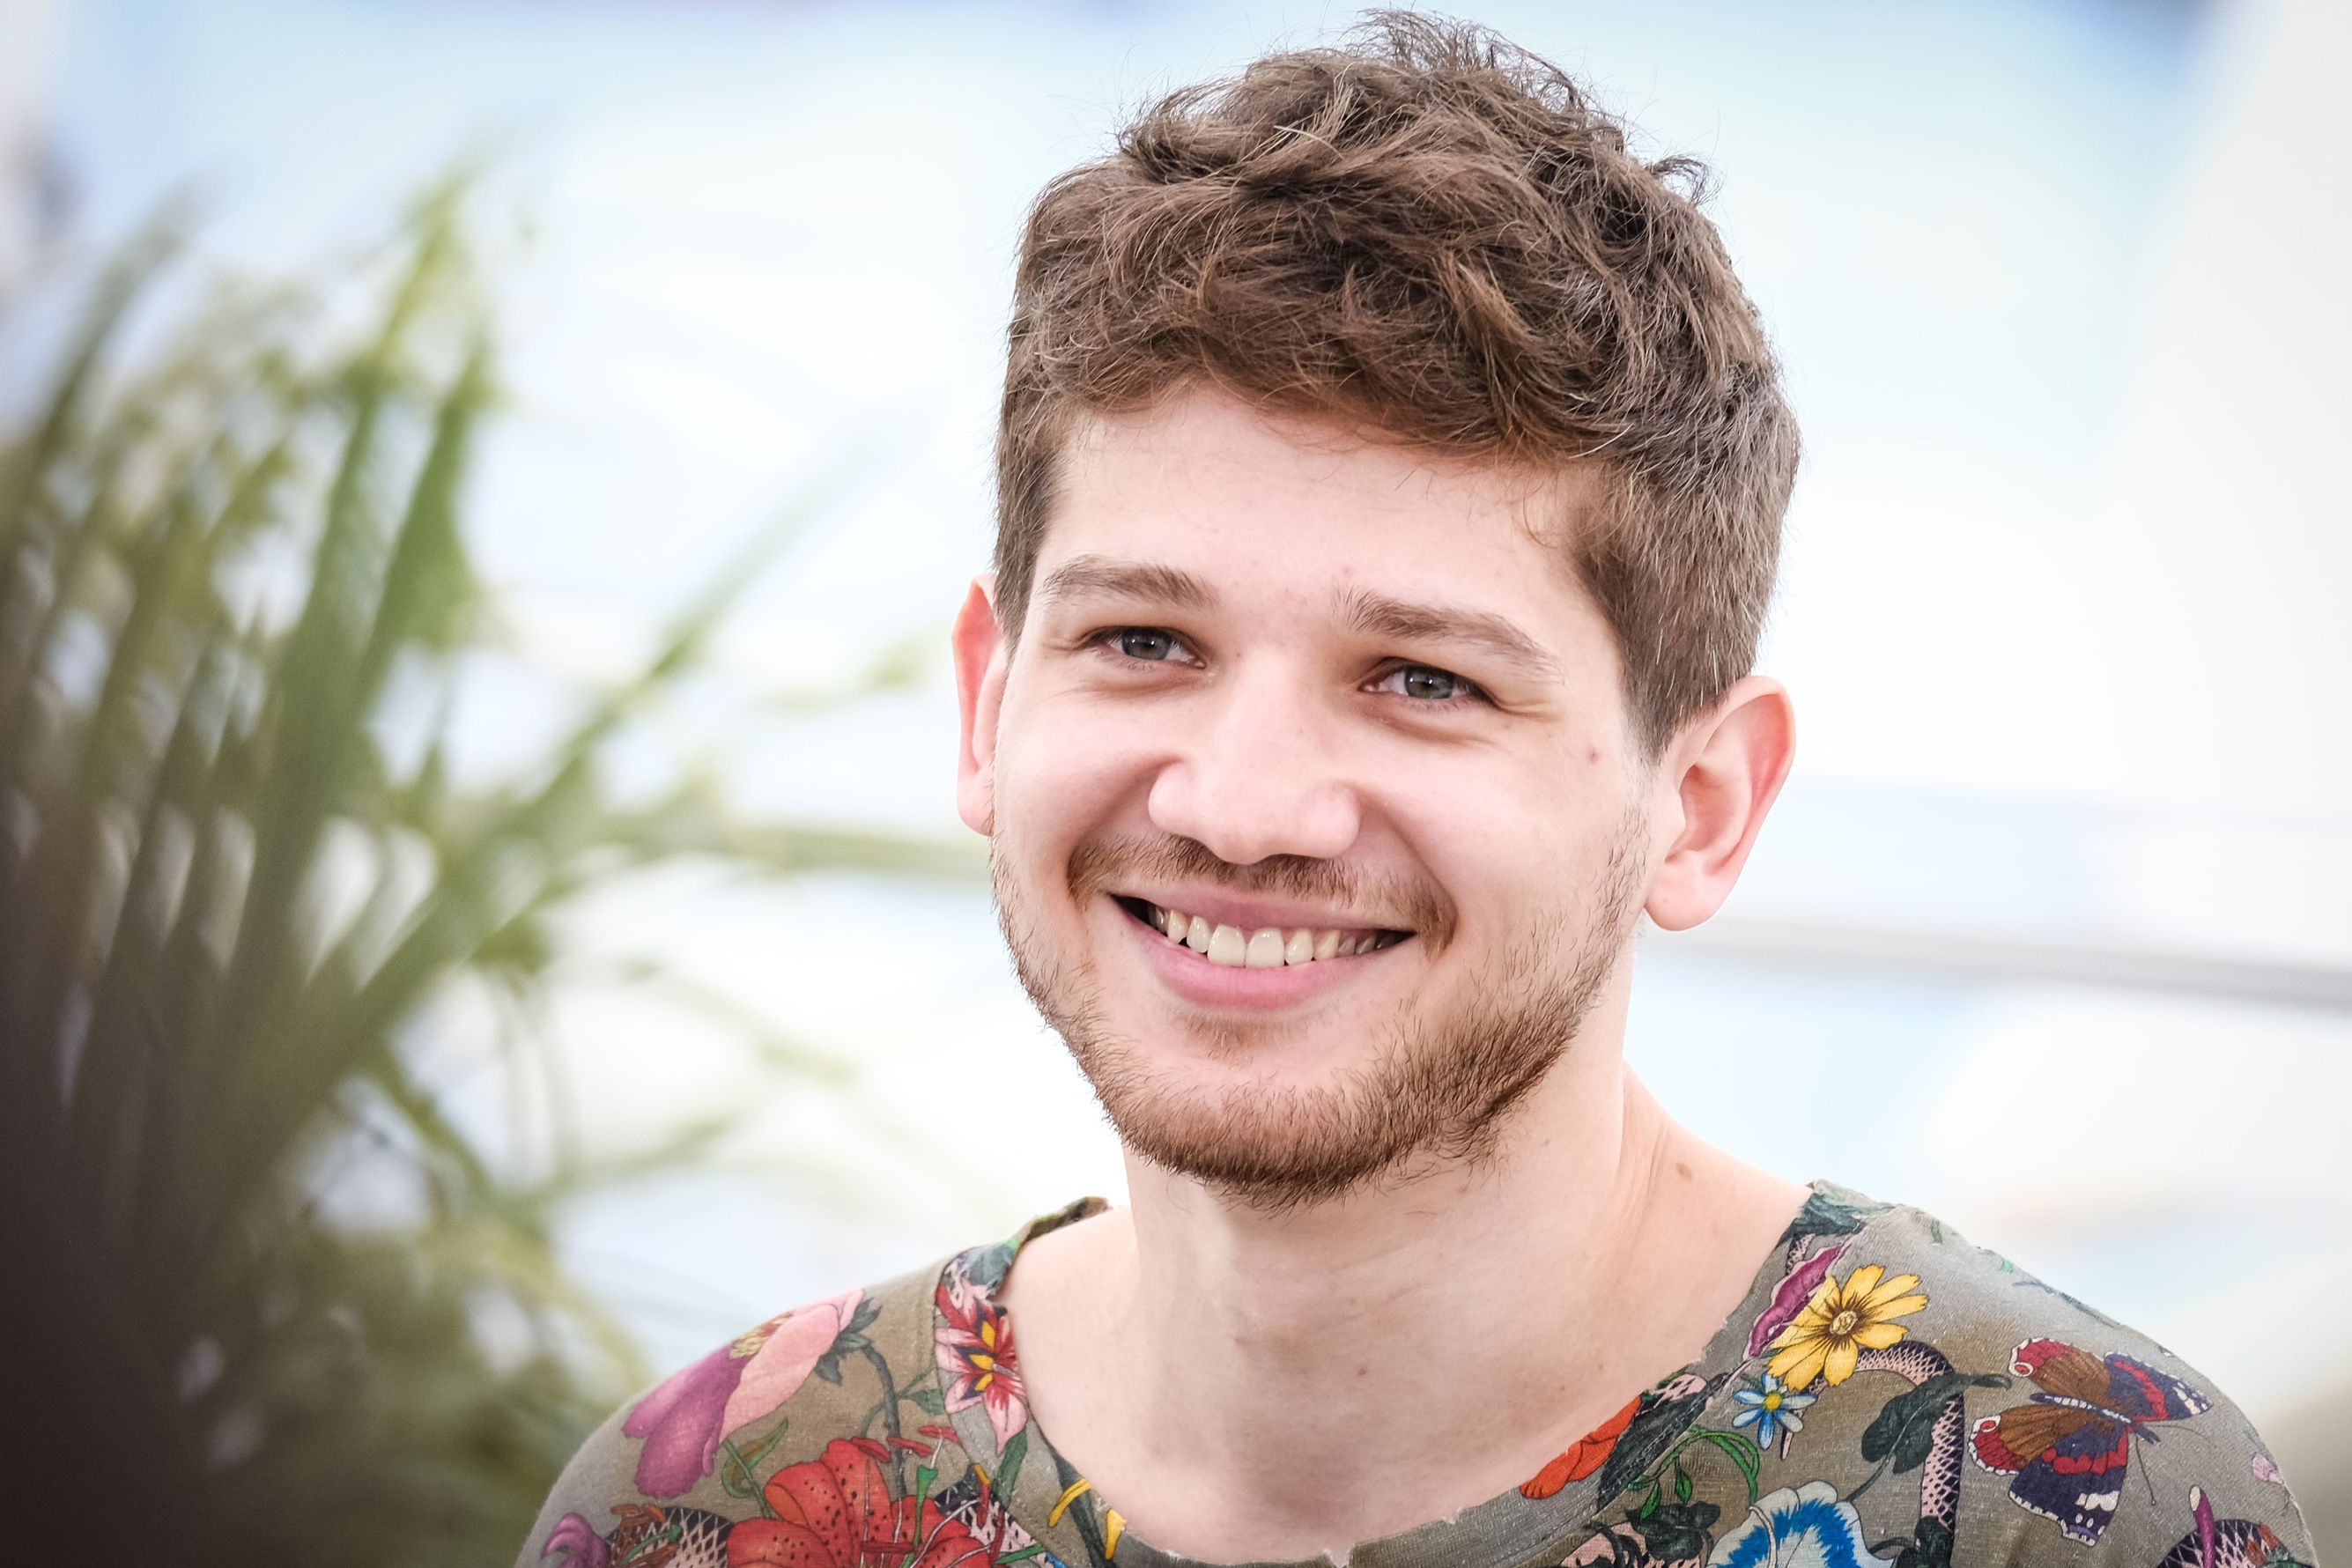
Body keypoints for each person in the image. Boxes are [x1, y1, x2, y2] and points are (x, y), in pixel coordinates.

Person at [519, 15, 2316, 1568]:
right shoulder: (715, 1498)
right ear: (990, 703)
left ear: (1702, 803)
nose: (1242, 804)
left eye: (1423, 679)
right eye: (1143, 639)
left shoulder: (2067, 1504)